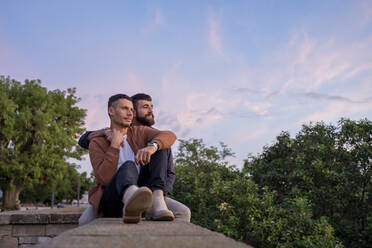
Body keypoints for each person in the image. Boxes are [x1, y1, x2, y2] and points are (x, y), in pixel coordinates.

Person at [78, 94, 191, 225]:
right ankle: (132, 198)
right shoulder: (97, 142)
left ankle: (156, 200)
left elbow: (169, 135)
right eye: (125, 108)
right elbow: (104, 179)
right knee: (128, 166)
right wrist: (114, 145)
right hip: (113, 198)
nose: (130, 113)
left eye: (132, 110)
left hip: (145, 195)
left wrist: (152, 147)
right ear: (111, 111)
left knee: (183, 212)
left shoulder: (139, 132)